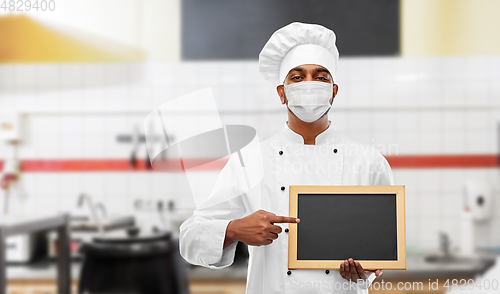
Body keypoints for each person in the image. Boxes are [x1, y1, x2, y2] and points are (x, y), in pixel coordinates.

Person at [180, 22, 394, 294]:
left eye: (320, 76)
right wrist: (233, 229)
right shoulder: (249, 161)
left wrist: (366, 273)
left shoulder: (369, 162)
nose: (309, 84)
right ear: (282, 93)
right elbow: (189, 238)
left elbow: (380, 248)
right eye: (297, 76)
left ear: (333, 91)